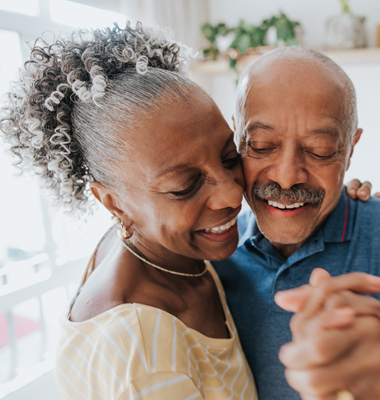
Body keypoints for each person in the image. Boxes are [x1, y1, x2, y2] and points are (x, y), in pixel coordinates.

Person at [0, 22, 257, 399]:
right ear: (114, 203)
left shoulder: (159, 245)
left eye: (230, 156)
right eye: (185, 186)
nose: (232, 195)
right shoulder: (143, 360)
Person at [213, 46, 380, 400]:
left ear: (350, 149)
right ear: (236, 136)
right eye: (260, 145)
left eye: (320, 150)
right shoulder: (210, 255)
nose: (287, 178)